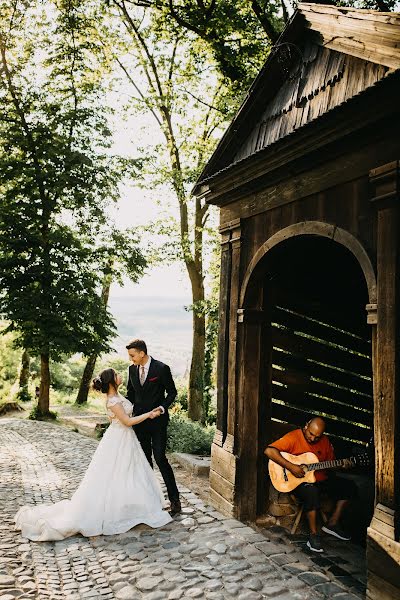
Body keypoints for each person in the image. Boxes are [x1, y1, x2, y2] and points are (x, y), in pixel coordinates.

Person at [15, 368, 172, 541]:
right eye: (117, 375)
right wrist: (148, 414)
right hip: (118, 438)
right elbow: (126, 421)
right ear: (111, 381)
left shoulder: (118, 397)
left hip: (126, 439)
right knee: (115, 473)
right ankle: (117, 510)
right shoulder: (112, 401)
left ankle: (132, 505)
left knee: (129, 473)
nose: (120, 376)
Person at [265, 417, 357, 553]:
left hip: (320, 479)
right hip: (300, 483)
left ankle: (332, 523)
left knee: (349, 486)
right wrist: (291, 467)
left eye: (317, 437)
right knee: (311, 492)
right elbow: (269, 451)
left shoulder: (325, 442)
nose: (313, 439)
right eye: (311, 434)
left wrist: (342, 465)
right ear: (306, 425)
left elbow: (331, 465)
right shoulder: (294, 437)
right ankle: (313, 536)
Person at [126, 339, 181, 516]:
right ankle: (151, 500)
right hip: (139, 423)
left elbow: (172, 392)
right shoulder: (131, 370)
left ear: (142, 353)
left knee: (160, 458)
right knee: (145, 461)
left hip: (158, 423)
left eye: (132, 355)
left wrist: (162, 408)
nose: (130, 359)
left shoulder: (161, 369)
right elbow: (131, 394)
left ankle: (175, 500)